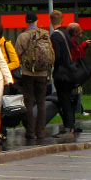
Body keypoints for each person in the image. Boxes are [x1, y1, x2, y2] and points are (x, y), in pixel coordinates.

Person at [14, 12, 55, 145]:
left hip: (28, 74)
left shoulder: (22, 36)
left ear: (26, 22)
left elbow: (16, 55)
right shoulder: (45, 35)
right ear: (37, 21)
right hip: (43, 74)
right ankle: (41, 132)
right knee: (41, 102)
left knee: (29, 103)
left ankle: (30, 132)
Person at [49, 21, 79, 141]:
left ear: (51, 21)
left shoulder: (55, 36)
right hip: (68, 72)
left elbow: (57, 55)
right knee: (68, 100)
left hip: (61, 73)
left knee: (64, 100)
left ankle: (68, 128)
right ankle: (70, 126)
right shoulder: (65, 34)